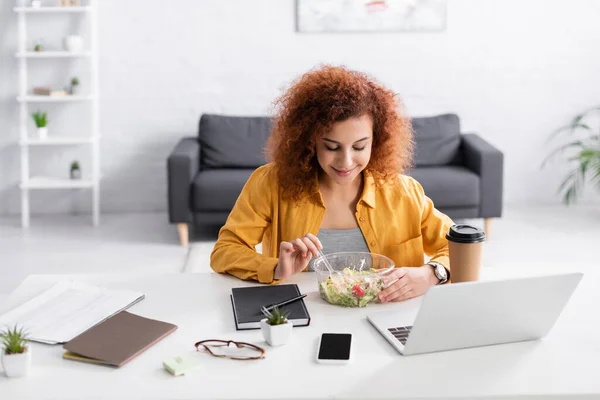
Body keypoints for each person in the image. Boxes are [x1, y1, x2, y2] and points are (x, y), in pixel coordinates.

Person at [211, 65, 453, 303]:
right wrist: (275, 268)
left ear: (376, 142)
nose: (346, 162)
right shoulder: (271, 183)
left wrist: (431, 273)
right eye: (332, 147)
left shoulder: (404, 191)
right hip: (304, 322)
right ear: (310, 140)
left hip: (390, 319)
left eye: (359, 147)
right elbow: (225, 251)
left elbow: (459, 246)